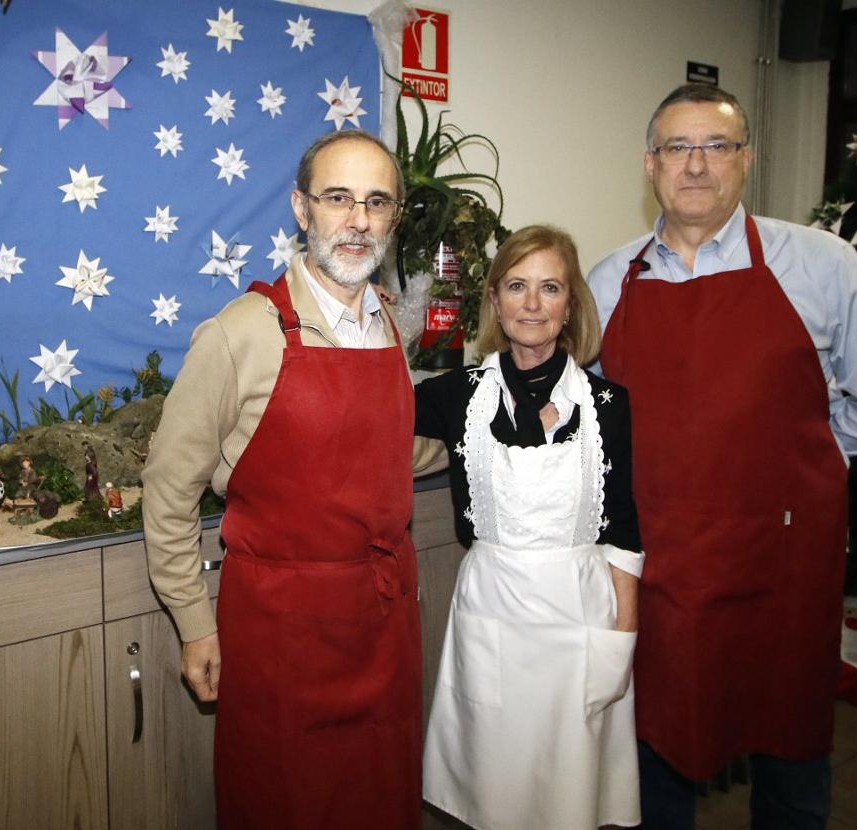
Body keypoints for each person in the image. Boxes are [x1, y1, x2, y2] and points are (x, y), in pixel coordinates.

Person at [588, 83, 857, 829]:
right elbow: (588, 415)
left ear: (745, 160)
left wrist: (798, 448)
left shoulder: (821, 264)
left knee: (790, 748)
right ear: (650, 164)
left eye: (716, 146)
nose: (697, 166)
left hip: (781, 560)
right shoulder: (611, 280)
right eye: (678, 147)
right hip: (660, 562)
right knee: (655, 743)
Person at [143, 129, 421, 830]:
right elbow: (169, 490)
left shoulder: (390, 325)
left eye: (376, 202)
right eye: (338, 199)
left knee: (377, 804)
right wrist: (194, 623)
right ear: (301, 209)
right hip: (279, 636)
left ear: (392, 217)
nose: (357, 220)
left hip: (381, 625)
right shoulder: (242, 332)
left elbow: (391, 450)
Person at [415, 225, 644, 830]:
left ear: (571, 305)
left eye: (550, 288)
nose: (533, 304)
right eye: (517, 286)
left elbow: (623, 529)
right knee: (494, 790)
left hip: (580, 616)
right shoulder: (454, 397)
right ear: (494, 300)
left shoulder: (609, 404)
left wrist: (623, 636)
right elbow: (363, 404)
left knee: (572, 791)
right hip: (493, 609)